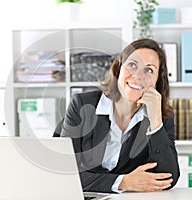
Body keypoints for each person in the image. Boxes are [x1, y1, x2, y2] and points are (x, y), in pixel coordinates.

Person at [56, 38, 180, 193]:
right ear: (118, 69)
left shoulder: (161, 116)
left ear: (157, 81)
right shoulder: (82, 105)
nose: (137, 76)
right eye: (132, 65)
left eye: (149, 70)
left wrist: (155, 121)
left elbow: (168, 178)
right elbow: (63, 173)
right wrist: (123, 182)